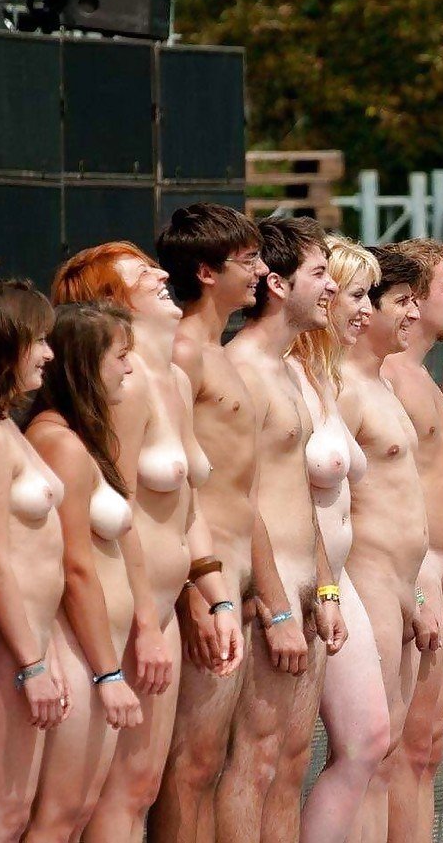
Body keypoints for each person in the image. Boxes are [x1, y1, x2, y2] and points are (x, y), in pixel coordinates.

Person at [51, 244, 242, 843]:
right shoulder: (124, 387)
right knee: (98, 799)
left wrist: (216, 595)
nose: (162, 273)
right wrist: (146, 622)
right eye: (142, 274)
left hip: (158, 606)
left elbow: (188, 509)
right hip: (123, 613)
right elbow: (119, 513)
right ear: (112, 303)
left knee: (140, 789)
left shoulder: (174, 380)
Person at [151, 204, 306, 842]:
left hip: (234, 578)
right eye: (247, 261)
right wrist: (196, 588)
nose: (262, 271)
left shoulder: (216, 353)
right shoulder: (184, 352)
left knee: (210, 762)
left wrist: (270, 597)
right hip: (206, 576)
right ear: (207, 272)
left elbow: (245, 494)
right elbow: (172, 483)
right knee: (189, 766)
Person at [218, 217, 346, 843]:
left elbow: (299, 494)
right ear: (277, 283)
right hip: (266, 597)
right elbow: (239, 501)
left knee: (292, 762)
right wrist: (276, 607)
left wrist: (325, 589)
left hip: (302, 589)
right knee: (254, 758)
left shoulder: (289, 372)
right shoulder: (240, 368)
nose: (332, 288)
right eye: (320, 274)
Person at [23, 302, 144, 840]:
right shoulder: (60, 444)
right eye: (121, 356)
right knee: (57, 817)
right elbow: (74, 566)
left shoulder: (79, 439)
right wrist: (107, 673)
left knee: (76, 815)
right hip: (78, 651)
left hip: (97, 650)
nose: (130, 368)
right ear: (85, 365)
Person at [0, 280, 70, 842]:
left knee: (17, 812)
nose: (48, 354)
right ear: (4, 345)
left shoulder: (5, 425)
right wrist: (30, 662)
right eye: (37, 341)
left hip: (31, 637)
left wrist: (46, 651)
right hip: (6, 643)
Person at [291, 236, 392, 843]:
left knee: (371, 738)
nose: (365, 310)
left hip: (337, 578)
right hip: (305, 579)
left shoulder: (326, 377)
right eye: (357, 295)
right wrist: (323, 586)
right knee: (283, 757)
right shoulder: (289, 375)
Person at [337, 245, 430, 840]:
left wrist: (420, 589)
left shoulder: (383, 385)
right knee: (366, 753)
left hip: (403, 582)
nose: (413, 314)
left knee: (391, 748)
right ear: (366, 310)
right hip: (366, 579)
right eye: (401, 301)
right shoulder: (345, 388)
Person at [381, 239, 443, 842]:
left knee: (428, 747)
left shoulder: (421, 375)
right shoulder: (389, 376)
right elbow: (393, 491)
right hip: (410, 576)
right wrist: (419, 578)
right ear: (412, 300)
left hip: (440, 574)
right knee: (402, 749)